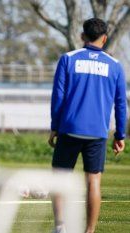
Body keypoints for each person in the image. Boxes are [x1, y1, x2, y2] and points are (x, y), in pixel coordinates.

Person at [49, 18, 127, 233]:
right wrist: (120, 135)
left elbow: (58, 96)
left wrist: (55, 126)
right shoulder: (115, 66)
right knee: (93, 182)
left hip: (69, 128)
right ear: (105, 38)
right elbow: (121, 103)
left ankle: (60, 227)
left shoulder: (68, 59)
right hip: (97, 132)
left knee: (60, 179)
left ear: (82, 36)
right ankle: (89, 231)